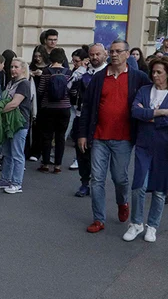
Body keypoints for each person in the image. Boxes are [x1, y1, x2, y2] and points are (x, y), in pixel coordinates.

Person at [76, 40, 151, 233]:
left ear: (128, 54)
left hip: (124, 138)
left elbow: (156, 93)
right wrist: (82, 134)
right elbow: (87, 108)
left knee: (120, 178)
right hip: (99, 136)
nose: (114, 54)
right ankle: (98, 219)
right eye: (112, 51)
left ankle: (122, 202)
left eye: (119, 51)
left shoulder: (138, 77)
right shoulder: (99, 78)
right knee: (97, 179)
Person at [125, 57, 168, 242]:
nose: (155, 75)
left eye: (159, 72)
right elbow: (135, 111)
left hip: (165, 146)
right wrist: (158, 112)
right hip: (143, 144)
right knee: (138, 186)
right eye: (153, 71)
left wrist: (148, 116)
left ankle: (152, 225)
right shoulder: (144, 90)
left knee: (160, 189)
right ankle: (135, 223)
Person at [69, 43, 106, 197]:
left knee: (98, 154)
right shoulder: (84, 71)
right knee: (82, 152)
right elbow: (69, 87)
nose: (94, 57)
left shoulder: (107, 72)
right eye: (92, 55)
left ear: (105, 55)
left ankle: (97, 183)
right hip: (81, 115)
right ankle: (85, 182)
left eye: (98, 54)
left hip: (99, 119)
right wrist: (80, 72)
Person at [0, 58, 31, 193]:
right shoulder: (11, 82)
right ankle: (5, 179)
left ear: (23, 69)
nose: (13, 69)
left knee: (17, 154)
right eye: (12, 66)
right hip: (9, 123)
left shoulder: (24, 84)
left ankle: (17, 183)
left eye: (16, 67)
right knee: (7, 153)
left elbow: (15, 103)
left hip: (19, 124)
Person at [36, 47, 73, 172]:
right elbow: (72, 91)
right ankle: (57, 165)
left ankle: (45, 164)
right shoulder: (68, 72)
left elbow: (40, 90)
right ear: (63, 58)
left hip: (48, 108)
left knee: (47, 136)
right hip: (64, 108)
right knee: (60, 137)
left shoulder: (46, 71)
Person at [27, 45, 49, 161]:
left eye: (40, 56)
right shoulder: (31, 66)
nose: (38, 59)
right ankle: (29, 150)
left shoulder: (48, 67)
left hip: (43, 99)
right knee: (30, 124)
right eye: (36, 56)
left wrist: (42, 75)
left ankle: (36, 151)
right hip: (32, 97)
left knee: (40, 126)